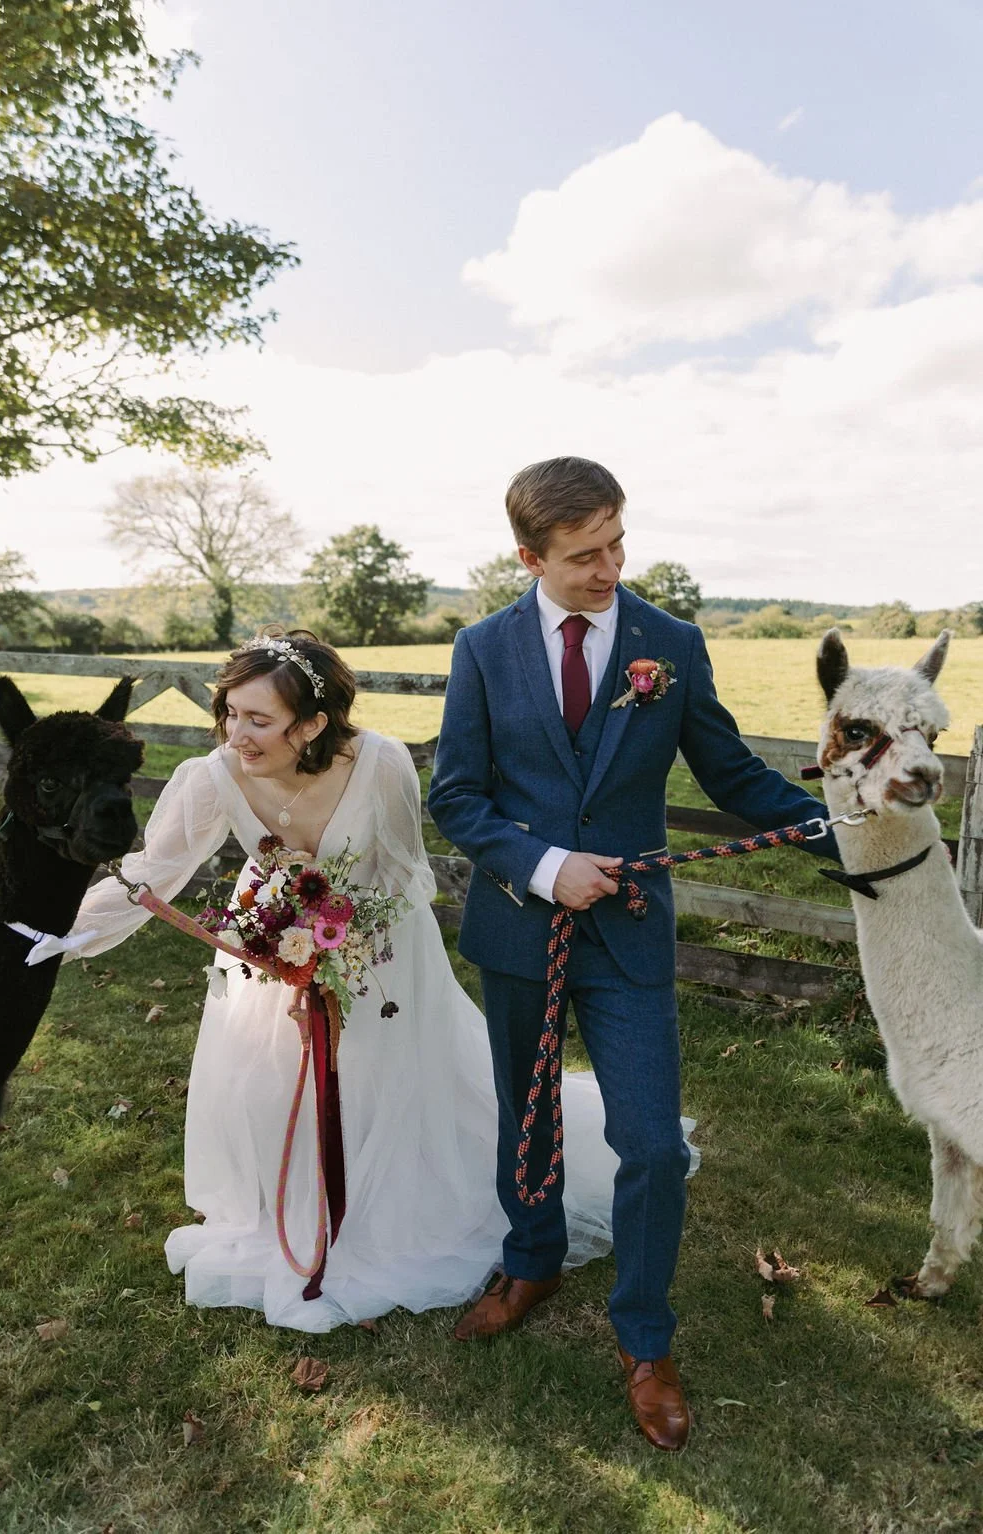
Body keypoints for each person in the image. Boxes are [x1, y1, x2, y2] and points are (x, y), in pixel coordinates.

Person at [71, 627, 688, 1331]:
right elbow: (154, 872)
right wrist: (67, 935)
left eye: (258, 720)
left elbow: (406, 878)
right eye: (230, 713)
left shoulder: (382, 764)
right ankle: (295, 1212)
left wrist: (338, 957)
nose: (235, 735)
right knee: (276, 1079)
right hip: (270, 950)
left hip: (381, 951)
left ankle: (390, 1208)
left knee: (383, 1083)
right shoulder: (212, 777)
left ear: (312, 724)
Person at [428, 457, 837, 1451]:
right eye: (583, 556)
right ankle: (531, 1262)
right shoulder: (481, 648)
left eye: (617, 542)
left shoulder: (670, 643)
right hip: (521, 924)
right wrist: (545, 865)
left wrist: (838, 835)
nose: (609, 567)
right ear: (529, 556)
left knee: (652, 1143)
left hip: (633, 931)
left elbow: (730, 768)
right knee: (527, 1117)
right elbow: (456, 795)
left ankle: (645, 1339)